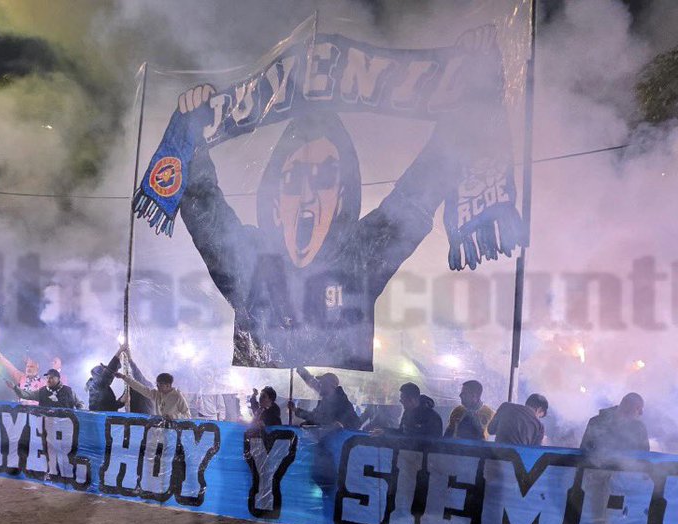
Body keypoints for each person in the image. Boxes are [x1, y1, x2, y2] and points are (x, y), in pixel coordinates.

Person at [176, 87, 467, 370]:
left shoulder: (359, 255)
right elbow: (205, 210)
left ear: (341, 199)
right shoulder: (249, 255)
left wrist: (461, 118)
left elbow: (412, 201)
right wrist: (191, 138)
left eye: (324, 178)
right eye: (294, 180)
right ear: (275, 203)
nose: (308, 195)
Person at [288, 367, 361, 430]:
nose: (320, 384)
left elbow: (356, 424)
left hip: (340, 443)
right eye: (320, 382)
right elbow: (315, 417)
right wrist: (295, 409)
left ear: (332, 386)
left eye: (323, 382)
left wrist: (342, 426)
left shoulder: (341, 402)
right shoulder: (325, 400)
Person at [579, 392, 650, 456]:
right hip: (594, 469)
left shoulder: (640, 428)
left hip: (629, 470)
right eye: (638, 408)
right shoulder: (596, 422)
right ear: (626, 405)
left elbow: (644, 456)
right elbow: (584, 451)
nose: (641, 413)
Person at [116, 371, 191, 420]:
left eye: (160, 385)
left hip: (173, 431)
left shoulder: (177, 397)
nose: (157, 387)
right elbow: (141, 388)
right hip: (159, 429)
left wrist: (173, 417)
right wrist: (124, 377)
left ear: (168, 385)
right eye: (157, 384)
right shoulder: (156, 394)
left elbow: (187, 416)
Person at [10, 368, 82, 410]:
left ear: (58, 378)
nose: (48, 380)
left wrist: (80, 415)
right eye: (47, 378)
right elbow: (26, 395)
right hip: (47, 429)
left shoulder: (68, 391)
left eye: (51, 378)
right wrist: (14, 387)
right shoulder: (42, 392)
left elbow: (80, 404)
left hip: (65, 429)